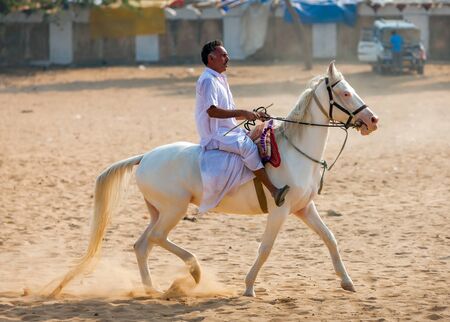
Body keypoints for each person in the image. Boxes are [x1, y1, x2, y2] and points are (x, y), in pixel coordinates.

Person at [195, 40, 289, 207]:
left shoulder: (220, 79)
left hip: (227, 131)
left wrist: (253, 115)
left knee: (262, 133)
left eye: (227, 55)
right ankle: (274, 191)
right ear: (211, 59)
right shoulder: (208, 80)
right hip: (215, 135)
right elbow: (212, 111)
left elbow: (227, 112)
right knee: (248, 147)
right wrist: (242, 113)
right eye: (223, 55)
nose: (227, 58)